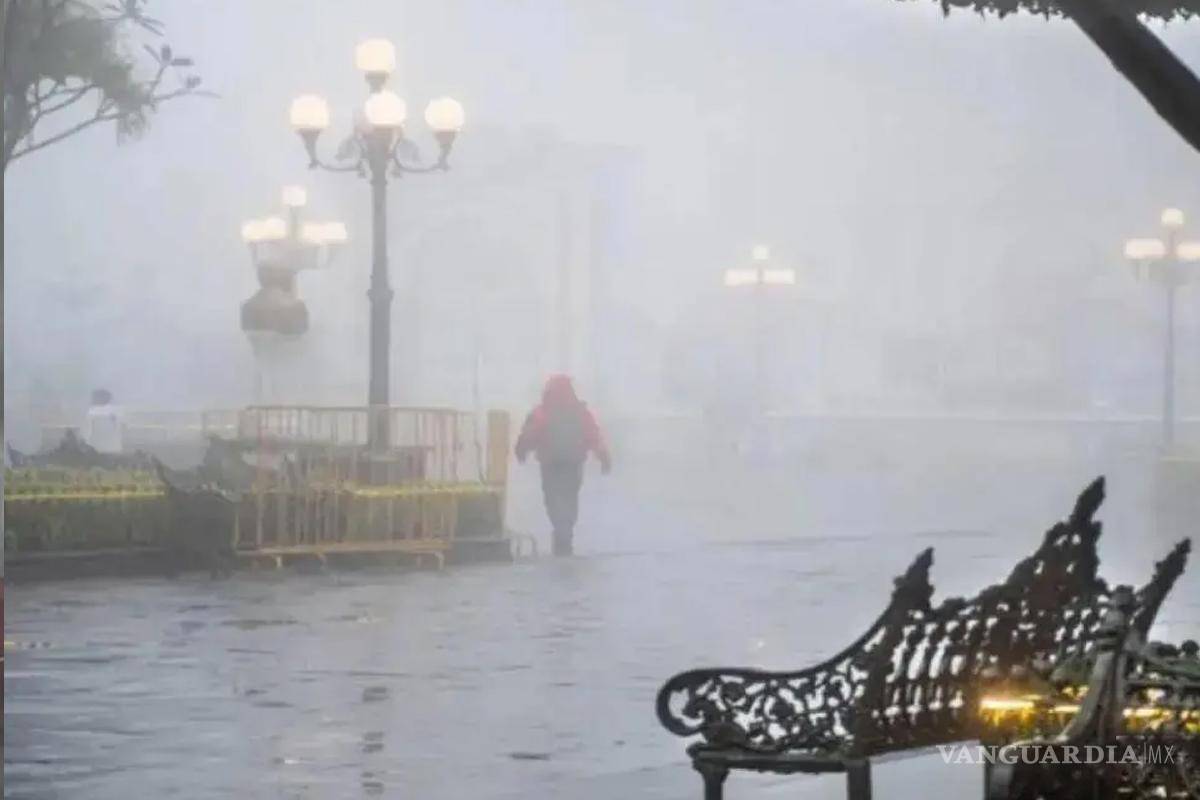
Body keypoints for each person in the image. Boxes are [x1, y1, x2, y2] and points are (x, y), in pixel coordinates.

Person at [515, 375, 611, 556]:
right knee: (570, 498)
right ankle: (565, 531)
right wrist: (604, 458)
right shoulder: (581, 413)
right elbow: (594, 436)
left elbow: (529, 434)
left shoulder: (542, 412)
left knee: (552, 499)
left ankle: (560, 530)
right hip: (573, 464)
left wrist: (521, 451)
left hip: (550, 464)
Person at [83, 389, 124, 454]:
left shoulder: (91, 411)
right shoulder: (115, 411)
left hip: (97, 447)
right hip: (112, 447)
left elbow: (88, 431)